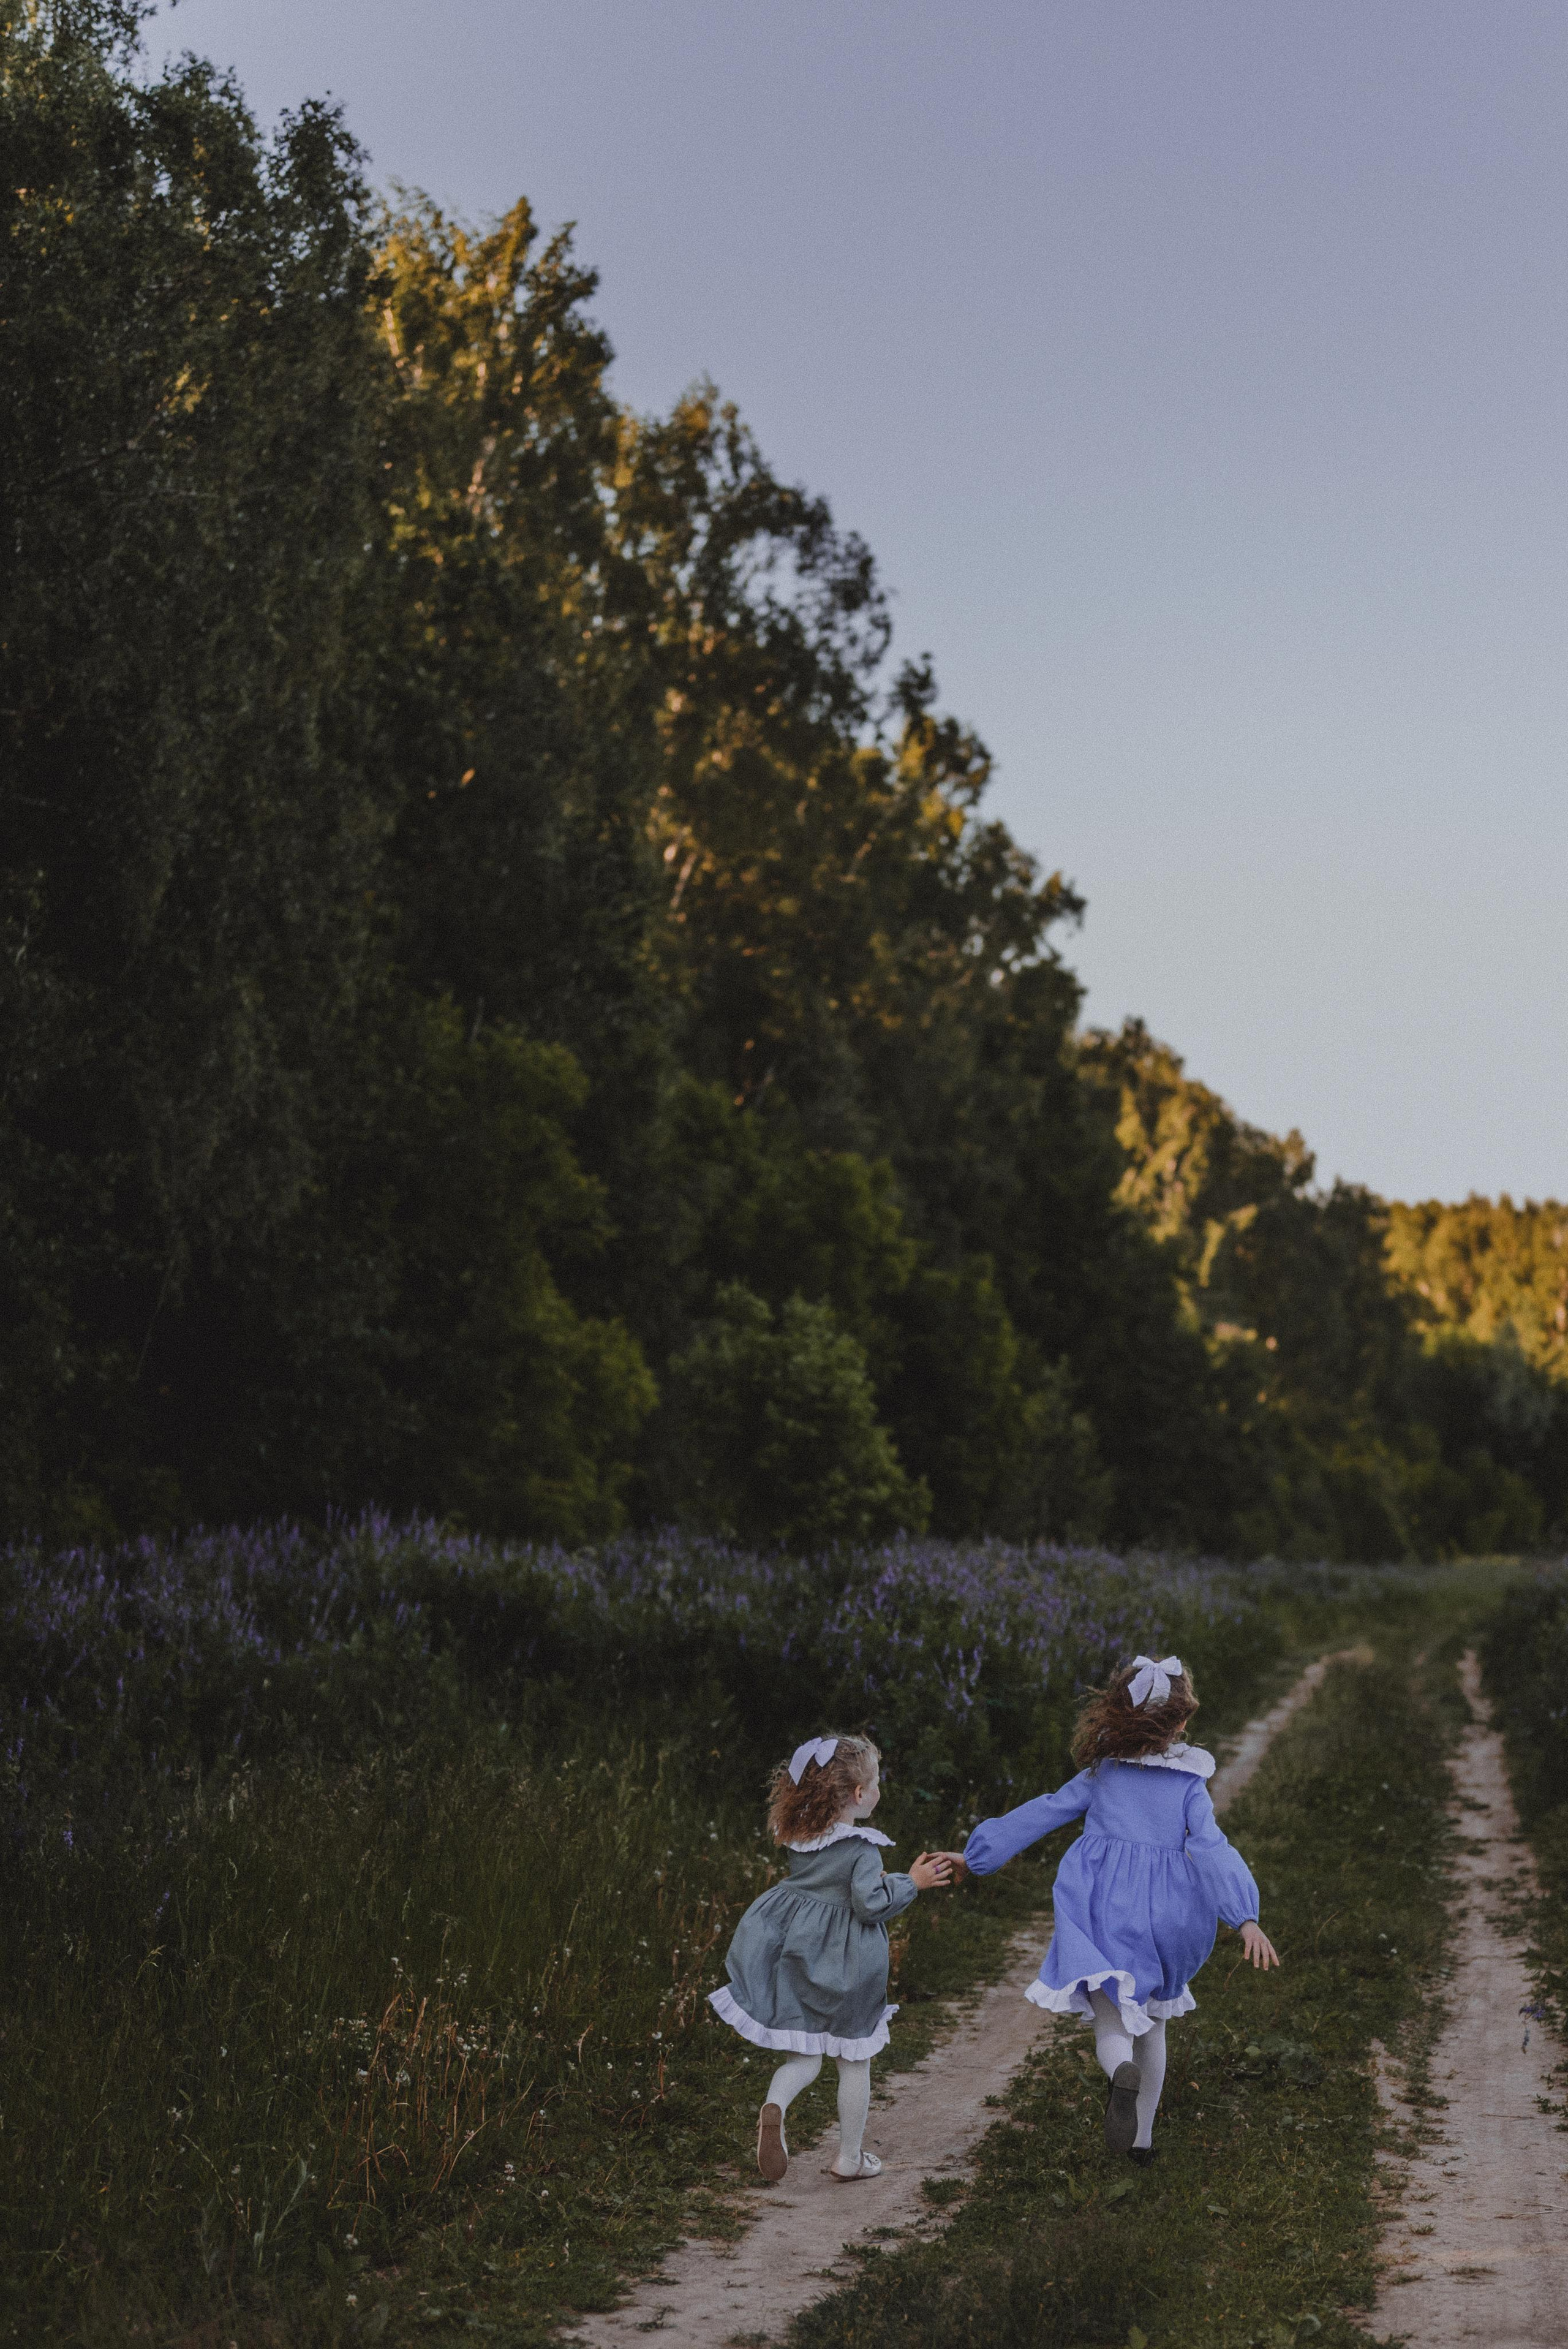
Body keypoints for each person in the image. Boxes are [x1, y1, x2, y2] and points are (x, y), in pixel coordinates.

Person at [948, 1654, 1278, 2162]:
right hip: (1171, 1911)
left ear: (1117, 1714)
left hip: (1103, 1904)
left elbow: (1044, 1811)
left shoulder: (1102, 1774)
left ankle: (1117, 2068)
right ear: (1183, 1722)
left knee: (1112, 2015)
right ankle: (1142, 2141)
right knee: (1156, 2022)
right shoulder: (1189, 1783)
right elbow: (1213, 1847)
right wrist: (1245, 1915)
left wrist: (976, 1858)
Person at [709, 1733, 953, 2181]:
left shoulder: (802, 1838)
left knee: (802, 2058)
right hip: (849, 1966)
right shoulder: (862, 1849)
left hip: (800, 1957)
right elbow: (869, 1904)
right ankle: (850, 2158)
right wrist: (911, 1883)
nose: (880, 1790)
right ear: (860, 1795)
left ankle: (776, 2107)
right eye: (877, 1782)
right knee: (854, 2058)